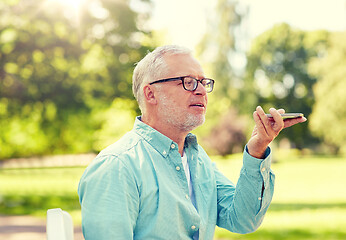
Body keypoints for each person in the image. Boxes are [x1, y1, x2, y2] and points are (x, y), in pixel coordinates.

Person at [78, 45, 307, 239]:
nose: (201, 91)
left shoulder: (198, 159)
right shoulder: (117, 167)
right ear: (150, 94)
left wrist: (257, 150)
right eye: (187, 82)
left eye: (203, 82)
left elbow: (242, 219)